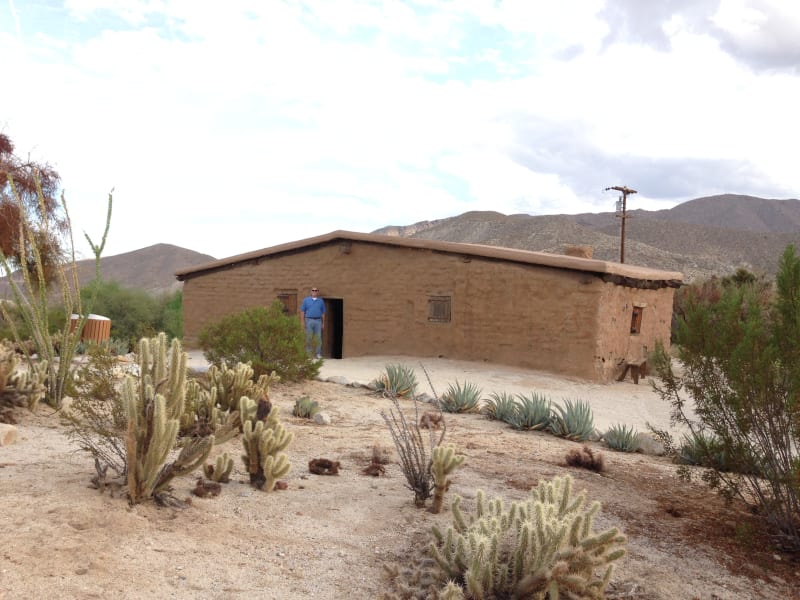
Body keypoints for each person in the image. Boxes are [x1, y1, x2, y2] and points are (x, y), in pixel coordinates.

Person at [299, 286, 325, 359]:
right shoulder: (306, 300)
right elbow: (302, 311)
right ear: (311, 292)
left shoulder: (321, 301)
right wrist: (302, 322)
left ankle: (318, 354)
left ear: (318, 292)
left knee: (318, 338)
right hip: (309, 320)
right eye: (313, 290)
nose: (314, 291)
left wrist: (323, 323)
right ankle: (308, 354)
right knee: (308, 337)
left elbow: (323, 313)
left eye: (316, 290)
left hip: (318, 320)